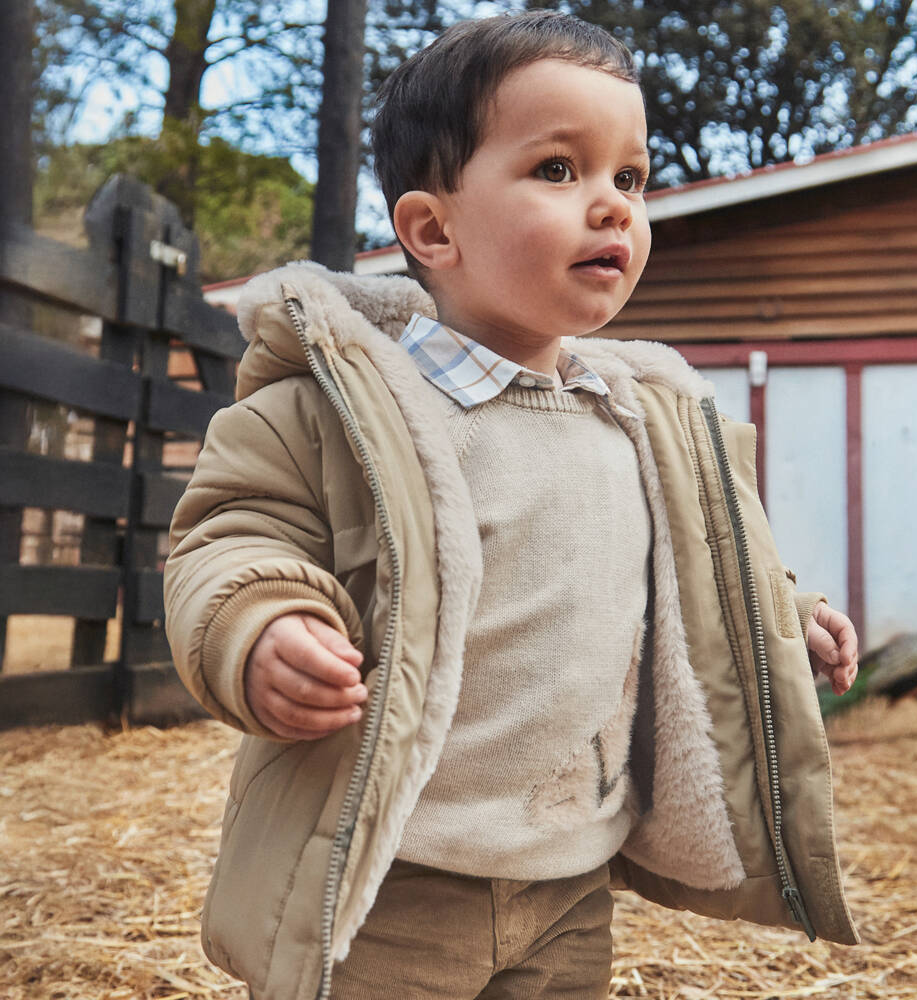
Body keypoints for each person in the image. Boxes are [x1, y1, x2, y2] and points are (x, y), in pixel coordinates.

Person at [165, 11, 860, 1000]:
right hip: (388, 881)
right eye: (558, 171)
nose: (613, 207)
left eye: (630, 177)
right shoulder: (334, 413)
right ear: (431, 230)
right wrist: (262, 621)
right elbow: (226, 539)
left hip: (567, 876)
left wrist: (784, 618)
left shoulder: (642, 416)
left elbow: (694, 574)